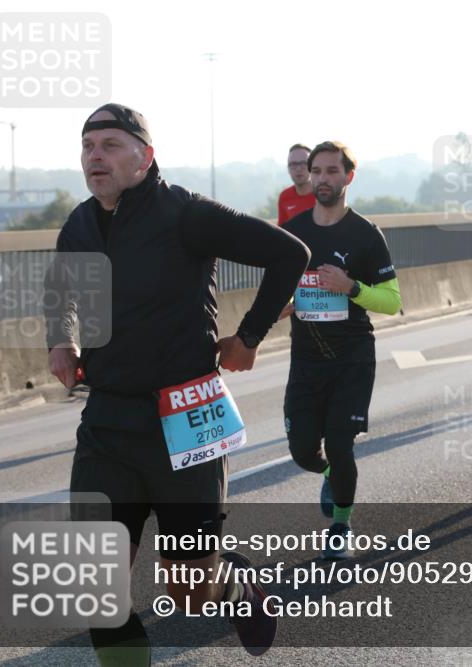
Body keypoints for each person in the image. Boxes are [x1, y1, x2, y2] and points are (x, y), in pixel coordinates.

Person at [46, 103, 311, 663]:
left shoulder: (184, 213)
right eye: (88, 146)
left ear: (145, 156)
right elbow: (62, 292)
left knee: (189, 593)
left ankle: (235, 587)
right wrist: (62, 342)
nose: (96, 155)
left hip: (184, 420)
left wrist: (248, 337)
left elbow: (289, 253)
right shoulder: (79, 223)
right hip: (107, 422)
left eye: (111, 144)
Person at [278, 141, 401, 560]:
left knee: (342, 443)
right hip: (307, 358)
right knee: (302, 451)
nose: (323, 178)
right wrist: (283, 304)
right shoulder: (294, 232)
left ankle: (341, 525)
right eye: (317, 171)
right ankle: (328, 472)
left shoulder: (365, 235)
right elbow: (281, 285)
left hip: (352, 357)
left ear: (349, 177)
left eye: (333, 171)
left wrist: (350, 287)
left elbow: (392, 301)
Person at [277, 143, 316, 224]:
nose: (298, 169)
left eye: (303, 163)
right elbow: (282, 230)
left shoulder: (323, 195)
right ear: (288, 168)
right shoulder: (284, 197)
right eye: (293, 164)